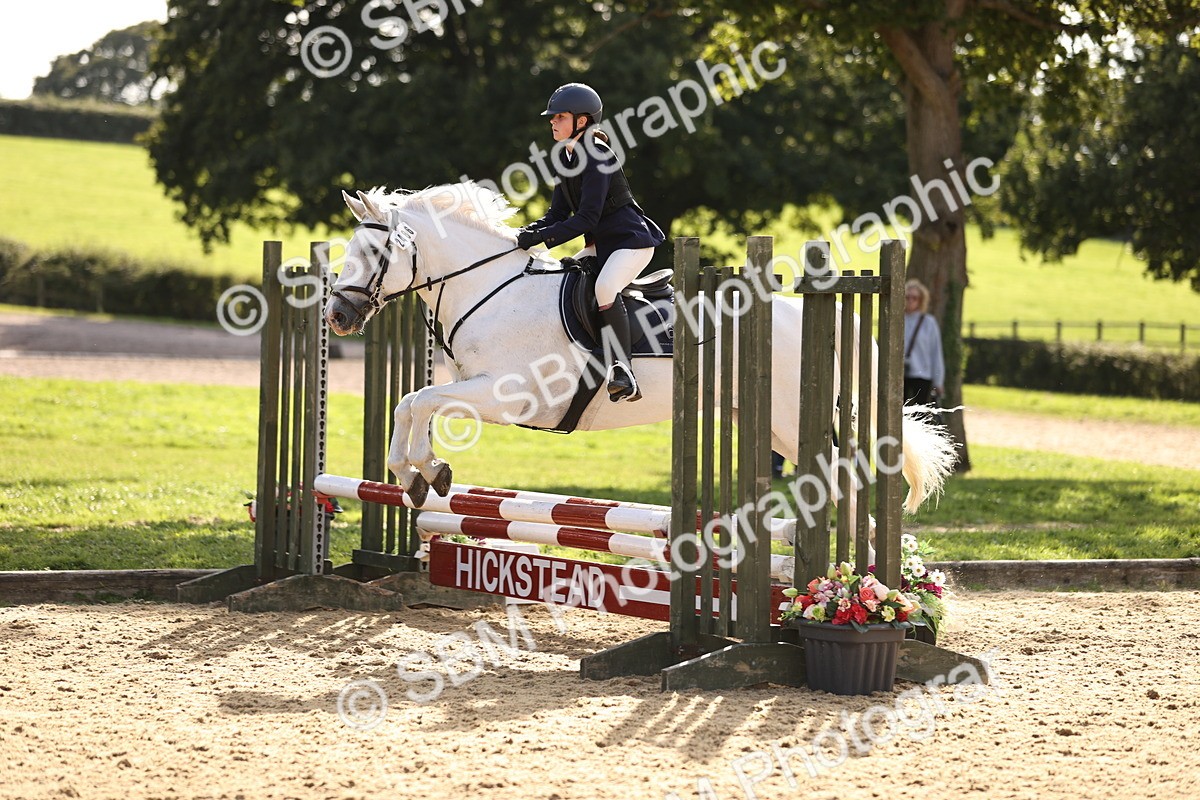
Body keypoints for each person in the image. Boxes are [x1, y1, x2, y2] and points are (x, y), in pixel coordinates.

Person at [515, 83, 666, 402]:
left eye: (559, 117)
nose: (552, 121)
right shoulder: (566, 157)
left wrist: (542, 238)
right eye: (552, 117)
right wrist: (524, 234)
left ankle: (623, 370)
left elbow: (586, 217)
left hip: (630, 242)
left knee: (604, 289)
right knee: (560, 280)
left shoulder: (598, 155)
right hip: (601, 244)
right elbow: (557, 213)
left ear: (582, 121)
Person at [903, 279, 945, 408]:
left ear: (921, 300)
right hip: (901, 374)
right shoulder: (897, 319)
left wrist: (938, 381)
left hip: (922, 375)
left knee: (920, 414)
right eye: (907, 297)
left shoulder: (929, 323)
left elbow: (935, 352)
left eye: (914, 298)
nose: (910, 300)